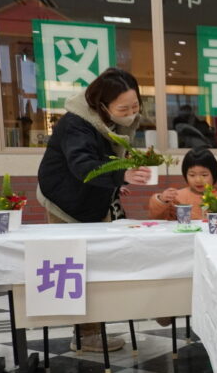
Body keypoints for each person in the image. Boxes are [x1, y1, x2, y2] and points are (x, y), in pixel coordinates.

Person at [36, 67, 153, 351]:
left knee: (97, 266)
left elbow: (106, 159)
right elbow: (83, 166)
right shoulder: (76, 124)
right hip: (65, 203)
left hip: (92, 198)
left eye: (135, 105)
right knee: (78, 270)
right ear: (101, 105)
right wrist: (121, 175)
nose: (130, 112)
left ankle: (93, 332)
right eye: (123, 108)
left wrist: (115, 184)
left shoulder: (109, 121)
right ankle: (86, 336)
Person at [147, 148, 217, 221]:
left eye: (204, 175)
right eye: (192, 175)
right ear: (185, 175)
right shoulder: (177, 197)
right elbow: (158, 218)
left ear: (214, 174)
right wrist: (162, 200)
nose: (198, 180)